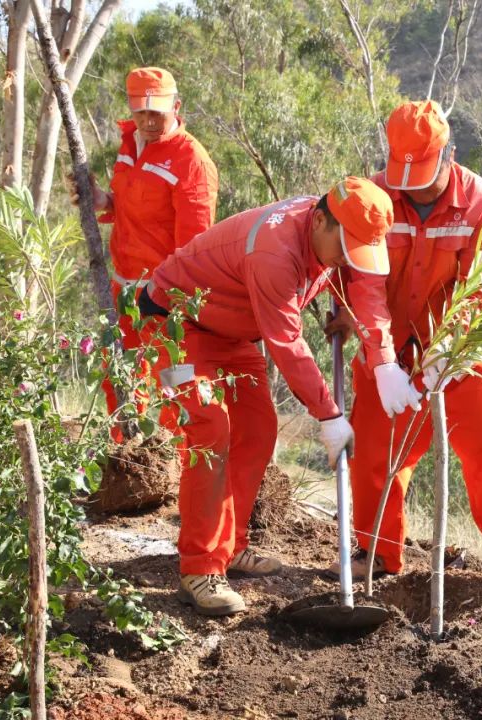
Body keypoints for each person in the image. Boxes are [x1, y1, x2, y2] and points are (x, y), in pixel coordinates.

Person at [141, 177, 422, 616]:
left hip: (233, 332)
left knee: (258, 429)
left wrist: (383, 360)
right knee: (211, 426)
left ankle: (229, 546)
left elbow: (366, 291)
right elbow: (287, 344)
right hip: (177, 325)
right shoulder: (275, 251)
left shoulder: (333, 231)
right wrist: (329, 415)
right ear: (321, 220)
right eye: (344, 248)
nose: (348, 260)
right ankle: (199, 568)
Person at [328, 100, 482, 610]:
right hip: (392, 344)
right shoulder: (376, 196)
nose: (412, 190)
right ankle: (376, 553)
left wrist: (445, 354)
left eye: (425, 178)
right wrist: (383, 360)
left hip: (465, 343)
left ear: (449, 154)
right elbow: (365, 285)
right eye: (402, 178)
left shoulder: (481, 202)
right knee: (374, 450)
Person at [69, 66, 218, 439]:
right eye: (141, 112)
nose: (149, 121)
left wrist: (171, 306)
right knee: (116, 376)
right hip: (122, 294)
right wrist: (102, 199)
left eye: (157, 112)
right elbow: (135, 204)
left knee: (176, 385)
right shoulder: (130, 143)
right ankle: (129, 456)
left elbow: (195, 249)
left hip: (165, 297)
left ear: (177, 106)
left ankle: (181, 465)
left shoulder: (192, 162)